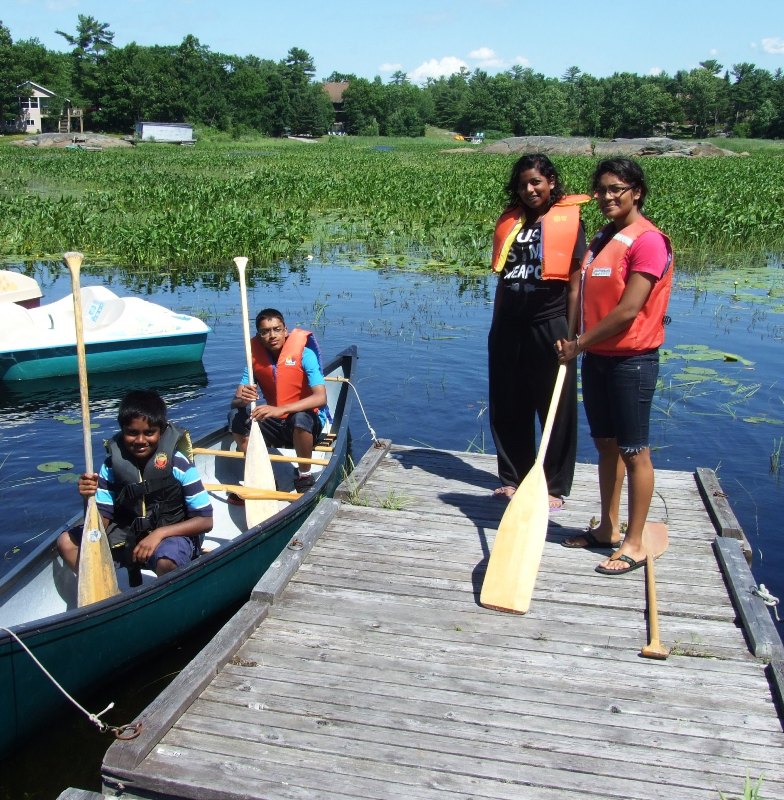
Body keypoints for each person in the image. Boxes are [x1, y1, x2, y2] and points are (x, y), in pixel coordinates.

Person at [557, 158, 673, 574]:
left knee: (634, 449)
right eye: (601, 189)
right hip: (599, 359)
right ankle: (607, 528)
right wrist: (574, 339)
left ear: (636, 192)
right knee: (607, 445)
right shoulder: (605, 237)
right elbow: (582, 291)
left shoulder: (649, 240)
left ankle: (635, 542)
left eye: (616, 189)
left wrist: (579, 344)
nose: (607, 197)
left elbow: (627, 310)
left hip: (632, 361)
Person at [488, 153, 590, 509]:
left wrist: (574, 336)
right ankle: (514, 477)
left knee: (555, 404)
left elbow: (576, 283)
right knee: (508, 402)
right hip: (508, 323)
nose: (530, 189)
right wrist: (496, 325)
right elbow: (504, 278)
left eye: (536, 182)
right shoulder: (512, 221)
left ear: (551, 183)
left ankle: (553, 486)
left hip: (549, 320)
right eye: (523, 184)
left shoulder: (568, 221)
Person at [57, 389, 213, 581]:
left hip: (171, 534)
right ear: (122, 431)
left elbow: (206, 521)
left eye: (149, 433)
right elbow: (100, 521)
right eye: (132, 433)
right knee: (67, 542)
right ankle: (107, 593)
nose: (140, 440)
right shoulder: (111, 466)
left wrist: (158, 533)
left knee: (167, 562)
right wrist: (87, 499)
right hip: (127, 535)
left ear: (162, 431)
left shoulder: (178, 464)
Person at [229, 308, 328, 493]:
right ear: (259, 336)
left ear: (285, 330)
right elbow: (235, 403)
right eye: (265, 331)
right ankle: (262, 475)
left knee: (300, 418)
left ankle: (304, 475)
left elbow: (321, 397)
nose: (271, 335)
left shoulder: (305, 355)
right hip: (277, 422)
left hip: (306, 421)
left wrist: (280, 409)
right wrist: (242, 399)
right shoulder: (254, 360)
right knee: (236, 416)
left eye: (276, 329)